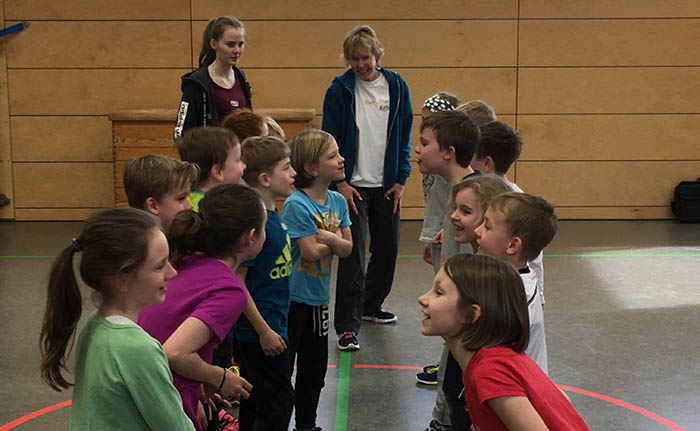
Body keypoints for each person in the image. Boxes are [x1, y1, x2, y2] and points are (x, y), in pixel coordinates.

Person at [39, 208, 194, 430]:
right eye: (160, 266)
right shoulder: (138, 349)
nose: (172, 272)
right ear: (122, 278)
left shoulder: (96, 325)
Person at [138, 184, 265, 430]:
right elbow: (174, 353)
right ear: (250, 237)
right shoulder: (229, 289)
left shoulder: (182, 260)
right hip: (164, 397)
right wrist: (219, 377)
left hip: (145, 384)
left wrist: (198, 379)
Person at [419, 254, 590, 430]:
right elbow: (560, 398)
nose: (423, 299)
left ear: (471, 313)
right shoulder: (495, 357)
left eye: (438, 292)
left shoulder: (489, 371)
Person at [322, 25, 413, 351]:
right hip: (353, 187)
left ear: (377, 55)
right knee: (353, 257)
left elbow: (404, 135)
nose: (361, 64)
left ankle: (371, 306)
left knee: (387, 251)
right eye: (354, 59)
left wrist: (401, 178)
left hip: (387, 186)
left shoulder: (397, 87)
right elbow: (329, 139)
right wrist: (340, 183)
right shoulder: (339, 91)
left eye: (366, 58)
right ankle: (348, 326)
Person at [282, 129, 353, 431]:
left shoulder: (336, 201)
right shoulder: (297, 204)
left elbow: (349, 248)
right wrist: (333, 240)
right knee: (284, 370)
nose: (341, 159)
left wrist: (330, 238)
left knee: (314, 372)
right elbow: (309, 252)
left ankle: (307, 426)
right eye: (333, 156)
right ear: (311, 168)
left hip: (319, 301)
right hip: (292, 301)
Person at [414, 109, 480, 431]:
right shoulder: (456, 192)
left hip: (469, 332)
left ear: (448, 152)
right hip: (456, 333)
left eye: (424, 143)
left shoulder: (477, 196)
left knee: (460, 398)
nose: (417, 149)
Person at [236, 136, 297, 430]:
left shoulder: (274, 215)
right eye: (286, 168)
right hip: (260, 332)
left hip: (276, 322)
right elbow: (238, 285)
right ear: (264, 178)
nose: (293, 173)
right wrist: (264, 331)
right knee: (277, 402)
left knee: (257, 398)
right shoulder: (255, 224)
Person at [474, 192, 558, 374]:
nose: (477, 231)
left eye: (487, 227)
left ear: (512, 245)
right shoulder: (507, 278)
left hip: (521, 390)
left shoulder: (517, 298)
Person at [470, 120, 546, 307]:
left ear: (486, 162)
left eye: (470, 156)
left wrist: (540, 295)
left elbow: (534, 256)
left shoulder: (516, 202)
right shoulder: (475, 192)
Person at [175, 16, 252, 140]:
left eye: (241, 44)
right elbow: (181, 133)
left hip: (238, 156)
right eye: (230, 44)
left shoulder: (242, 79)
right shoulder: (197, 83)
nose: (237, 50)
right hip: (210, 156)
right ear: (213, 44)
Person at [175, 126, 246, 211]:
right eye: (237, 160)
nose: (244, 165)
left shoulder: (188, 200)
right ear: (218, 172)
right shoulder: (214, 209)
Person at [123, 154, 200, 231]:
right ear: (153, 206)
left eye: (188, 196)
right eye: (181, 198)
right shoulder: (134, 241)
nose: (190, 206)